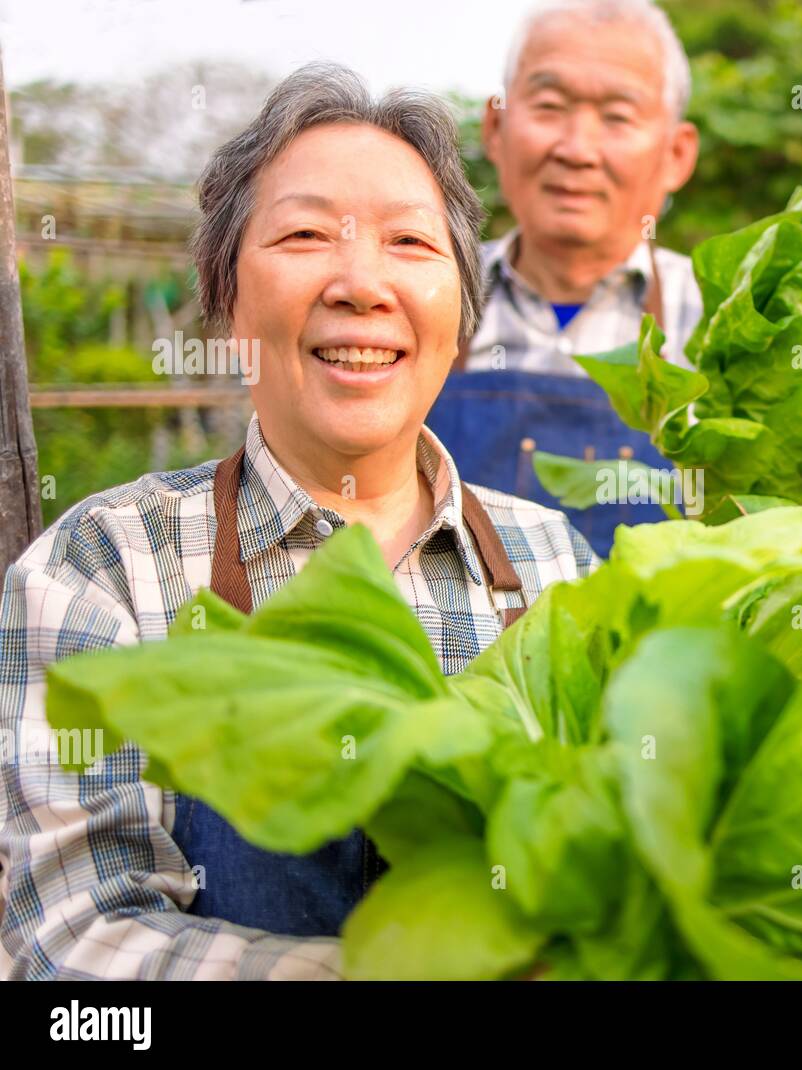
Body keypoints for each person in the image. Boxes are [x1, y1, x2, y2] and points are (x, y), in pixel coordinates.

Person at [0, 63, 593, 980]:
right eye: (307, 233)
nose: (362, 282)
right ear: (228, 294)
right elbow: (69, 944)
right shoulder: (102, 567)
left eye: (409, 242)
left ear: (461, 312)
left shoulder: (561, 567)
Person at [428, 0, 703, 554]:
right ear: (497, 128)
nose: (576, 149)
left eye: (618, 117)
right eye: (549, 106)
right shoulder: (420, 297)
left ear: (676, 154)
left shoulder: (725, 323)